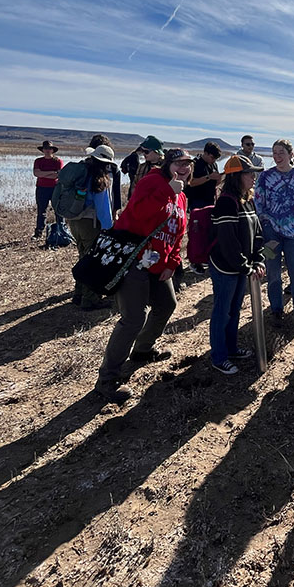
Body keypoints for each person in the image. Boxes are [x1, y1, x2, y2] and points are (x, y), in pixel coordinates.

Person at [93, 148, 192, 404]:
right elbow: (138, 214)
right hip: (134, 261)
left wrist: (173, 261)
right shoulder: (153, 182)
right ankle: (107, 379)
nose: (184, 168)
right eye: (179, 163)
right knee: (133, 319)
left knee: (167, 304)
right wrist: (168, 190)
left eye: (188, 164)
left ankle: (142, 350)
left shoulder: (182, 196)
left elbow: (178, 232)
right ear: (168, 164)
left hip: (159, 264)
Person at [208, 155, 265, 375]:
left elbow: (258, 234)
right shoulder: (226, 202)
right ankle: (219, 357)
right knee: (222, 312)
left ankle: (231, 349)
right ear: (236, 176)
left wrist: (258, 259)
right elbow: (228, 242)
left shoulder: (247, 200)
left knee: (234, 310)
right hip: (225, 267)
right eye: (249, 173)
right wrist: (246, 266)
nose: (253, 177)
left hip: (242, 267)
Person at [254, 139, 294, 330]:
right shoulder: (265, 177)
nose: (277, 156)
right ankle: (276, 311)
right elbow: (258, 202)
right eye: (274, 152)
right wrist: (265, 223)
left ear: (291, 155)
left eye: (281, 152)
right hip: (271, 234)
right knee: (272, 273)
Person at [56, 144, 118, 310]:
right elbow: (104, 209)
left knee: (83, 257)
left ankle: (78, 294)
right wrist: (109, 229)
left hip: (74, 220)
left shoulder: (81, 170)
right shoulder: (99, 178)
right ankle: (90, 299)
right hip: (89, 223)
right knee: (93, 261)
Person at [185, 142, 223, 273]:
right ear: (205, 153)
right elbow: (191, 182)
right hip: (197, 202)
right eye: (212, 157)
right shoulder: (195, 164)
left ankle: (204, 257)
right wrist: (208, 177)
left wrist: (219, 179)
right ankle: (195, 261)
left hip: (209, 201)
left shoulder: (213, 164)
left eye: (215, 159)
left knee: (208, 231)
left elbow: (215, 183)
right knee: (196, 233)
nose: (214, 160)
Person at [32, 140, 63, 239]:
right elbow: (36, 174)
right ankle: (38, 233)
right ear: (43, 150)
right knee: (41, 211)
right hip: (41, 188)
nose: (47, 150)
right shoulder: (38, 161)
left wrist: (44, 174)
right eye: (45, 149)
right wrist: (51, 173)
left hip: (55, 188)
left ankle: (61, 231)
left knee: (58, 210)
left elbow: (58, 175)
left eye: (49, 149)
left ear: (52, 150)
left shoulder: (58, 161)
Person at [89, 134, 122, 214]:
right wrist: (115, 213)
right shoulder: (113, 168)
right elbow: (116, 193)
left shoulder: (85, 165)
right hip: (105, 212)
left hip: (83, 214)